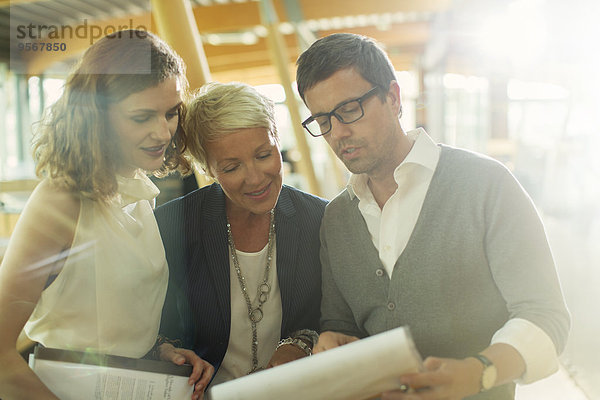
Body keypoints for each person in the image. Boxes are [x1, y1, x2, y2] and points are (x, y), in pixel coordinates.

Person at [296, 33, 570, 400]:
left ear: (393, 98)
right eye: (323, 120)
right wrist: (333, 342)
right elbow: (340, 324)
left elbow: (544, 316)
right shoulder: (337, 219)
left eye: (349, 110)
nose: (338, 133)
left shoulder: (486, 185)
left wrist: (479, 372)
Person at [0, 30, 211, 400]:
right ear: (94, 117)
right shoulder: (60, 201)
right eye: (141, 117)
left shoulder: (138, 189)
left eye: (170, 112)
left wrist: (158, 349)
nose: (162, 132)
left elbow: (104, 320)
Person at [155, 82, 326, 388]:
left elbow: (332, 320)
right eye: (232, 167)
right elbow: (154, 326)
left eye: (263, 155)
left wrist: (302, 345)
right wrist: (166, 350)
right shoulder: (173, 224)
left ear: (277, 139)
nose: (256, 178)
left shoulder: (319, 219)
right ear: (208, 168)